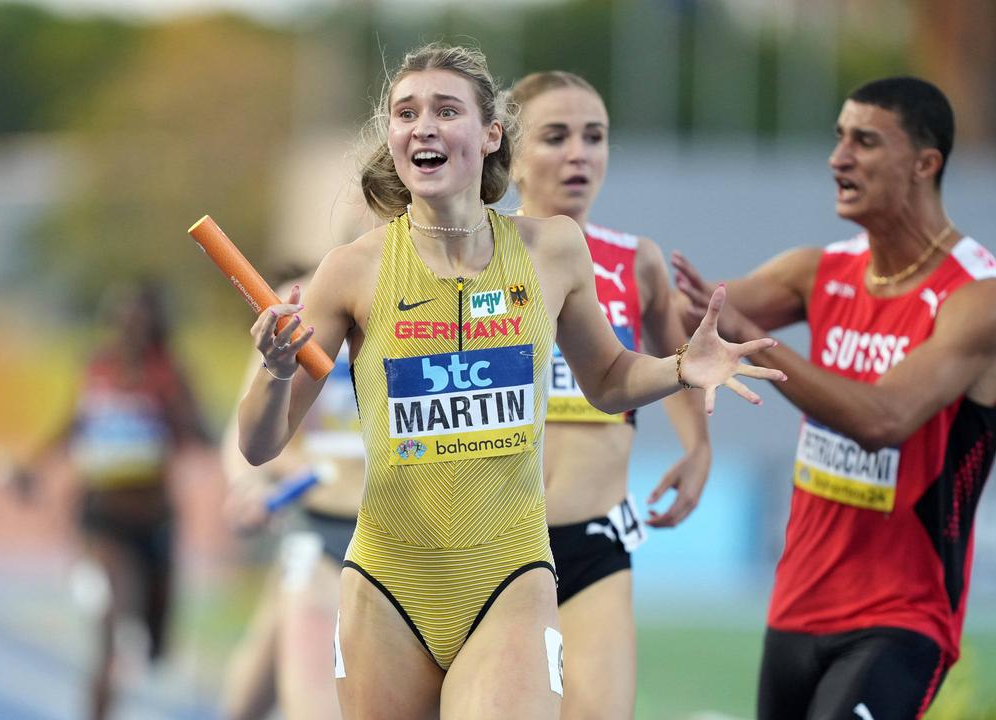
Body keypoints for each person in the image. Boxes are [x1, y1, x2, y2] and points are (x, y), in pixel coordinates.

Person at [235, 43, 784, 720]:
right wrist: (274, 369)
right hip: (387, 581)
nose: (424, 126)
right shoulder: (352, 270)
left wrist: (679, 368)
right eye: (406, 112)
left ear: (492, 134)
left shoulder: (552, 249)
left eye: (446, 109)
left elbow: (608, 379)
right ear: (394, 137)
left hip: (511, 576)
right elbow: (261, 443)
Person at [671, 76, 996, 719]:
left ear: (924, 163)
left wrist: (751, 339)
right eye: (838, 139)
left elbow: (883, 419)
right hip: (796, 606)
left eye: (864, 142)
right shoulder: (818, 271)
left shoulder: (981, 299)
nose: (838, 158)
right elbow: (689, 320)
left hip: (901, 617)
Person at [508, 70, 711, 719]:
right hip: (493, 544)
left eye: (594, 137)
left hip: (596, 542)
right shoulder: (475, 258)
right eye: (555, 136)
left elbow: (675, 363)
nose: (579, 154)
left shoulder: (635, 261)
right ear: (507, 154)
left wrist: (697, 446)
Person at [8, 280, 213, 720]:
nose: (130, 328)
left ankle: (152, 636)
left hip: (155, 522)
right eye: (123, 318)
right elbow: (73, 424)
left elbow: (200, 432)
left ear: (155, 325)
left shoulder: (170, 373)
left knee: (158, 642)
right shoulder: (97, 369)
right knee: (112, 629)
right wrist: (33, 468)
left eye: (140, 320)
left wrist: (187, 419)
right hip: (101, 521)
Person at [221, 271, 366, 720]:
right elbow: (247, 435)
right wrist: (251, 485)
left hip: (404, 537)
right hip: (319, 529)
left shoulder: (449, 292)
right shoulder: (306, 299)